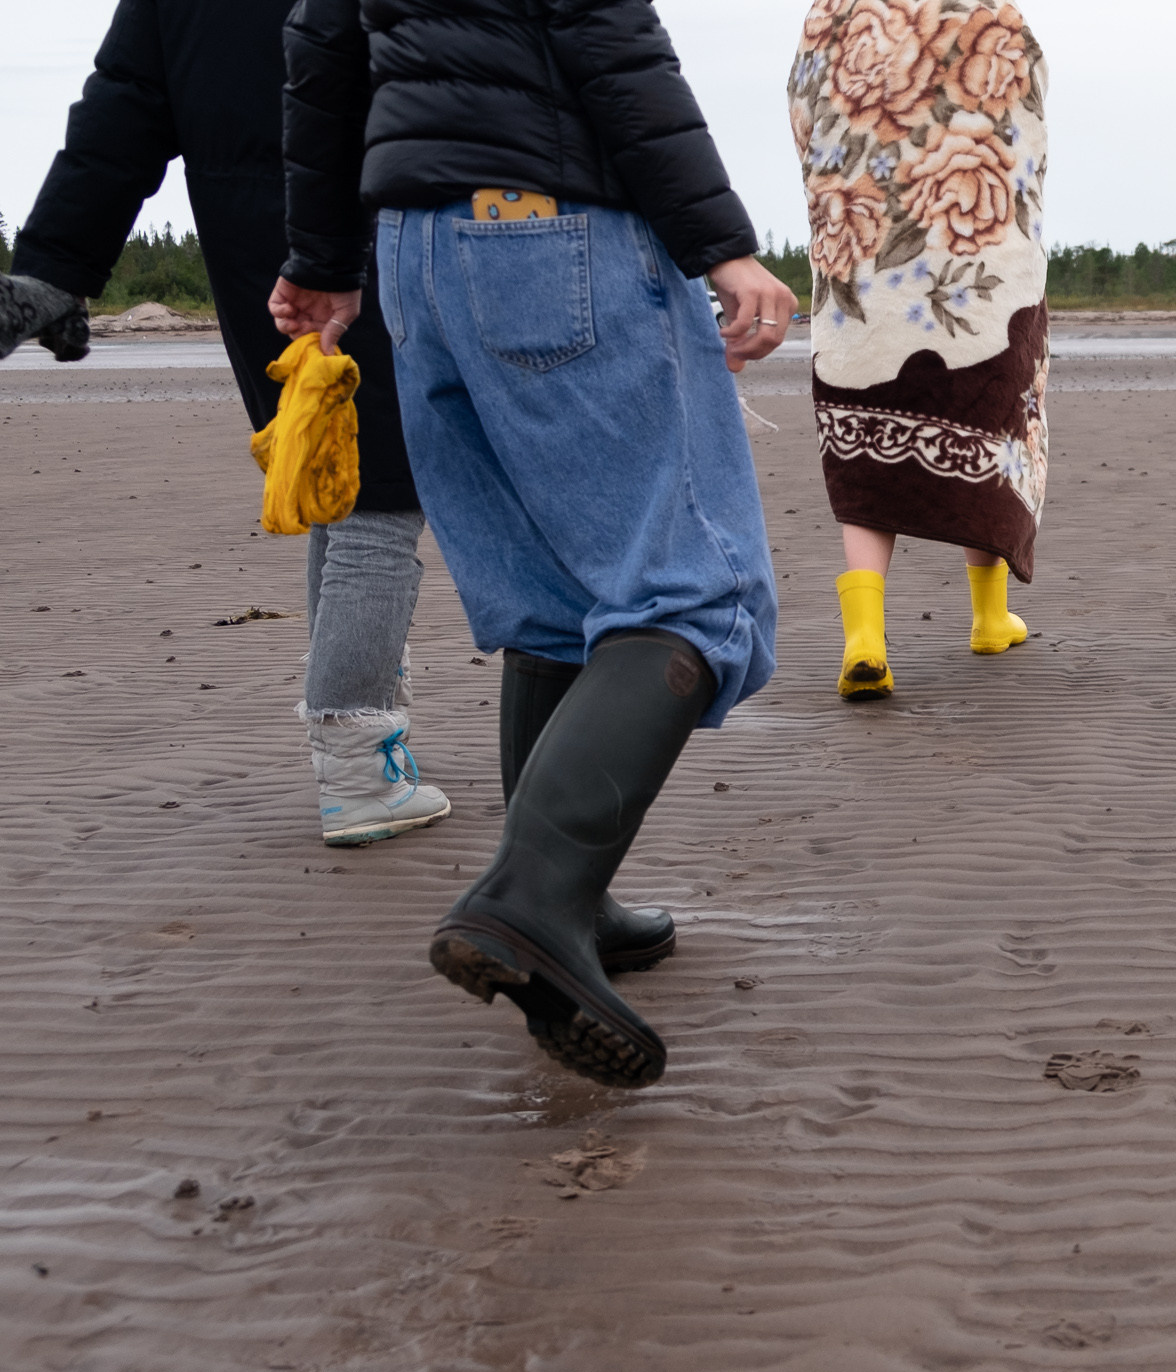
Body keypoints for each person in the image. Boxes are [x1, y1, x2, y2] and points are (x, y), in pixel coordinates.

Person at [275, 0, 797, 1087]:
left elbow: (322, 52)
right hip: (549, 234)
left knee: (557, 594)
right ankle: (534, 899)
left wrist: (324, 254)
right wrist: (726, 247)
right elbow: (613, 45)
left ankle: (572, 896)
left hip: (415, 252)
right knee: (695, 596)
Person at [8, 0, 449, 847]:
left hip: (254, 244)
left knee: (334, 486)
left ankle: (362, 734)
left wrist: (56, 266)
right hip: (371, 235)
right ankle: (357, 762)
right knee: (380, 499)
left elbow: (120, 112)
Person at [791, 0, 1051, 701]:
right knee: (991, 430)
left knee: (862, 441)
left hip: (863, 266)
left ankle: (865, 636)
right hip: (981, 270)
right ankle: (990, 617)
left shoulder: (833, 15)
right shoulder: (992, 11)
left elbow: (806, 124)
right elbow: (1026, 121)